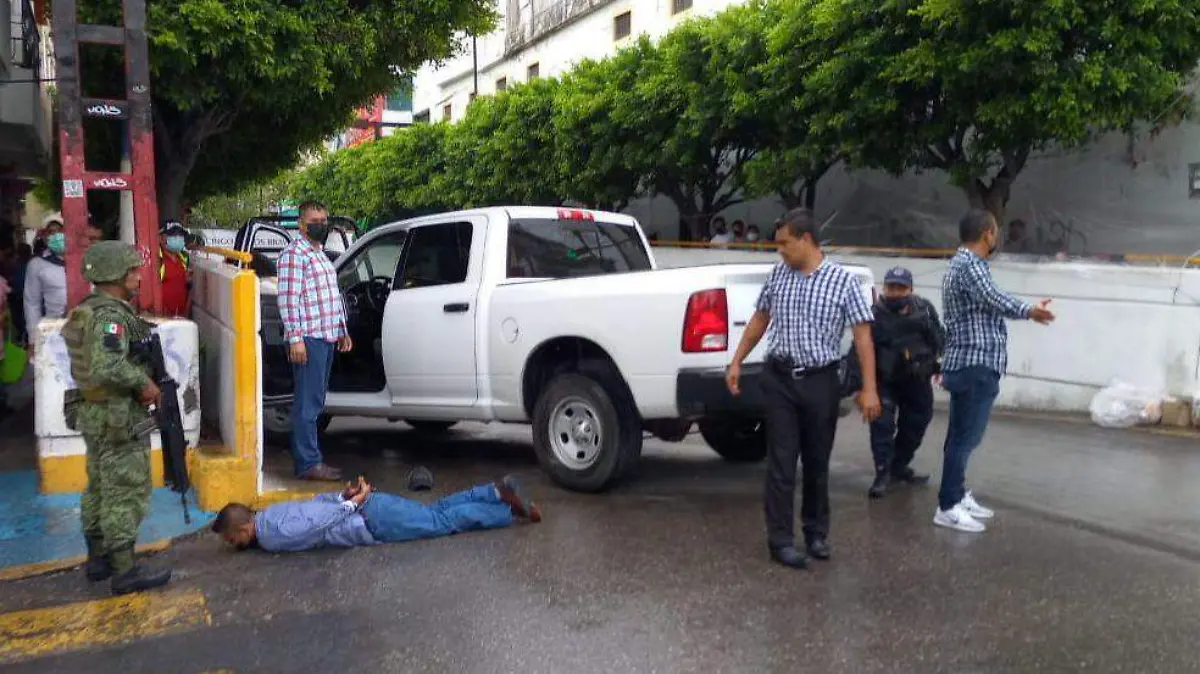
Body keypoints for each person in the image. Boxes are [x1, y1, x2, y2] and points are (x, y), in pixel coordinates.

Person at [725, 207, 882, 570]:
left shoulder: (842, 282)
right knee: (781, 463)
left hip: (820, 382)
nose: (779, 251)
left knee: (816, 461)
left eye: (784, 244)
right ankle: (780, 540)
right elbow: (761, 318)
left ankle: (815, 532)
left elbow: (863, 336)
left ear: (807, 240)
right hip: (779, 380)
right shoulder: (779, 275)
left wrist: (869, 388)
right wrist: (736, 360)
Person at [61, 241, 172, 594]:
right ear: (115, 276)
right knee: (125, 489)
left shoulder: (87, 310)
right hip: (117, 416)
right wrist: (146, 384)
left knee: (98, 486)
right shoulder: (110, 317)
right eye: (133, 271)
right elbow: (109, 365)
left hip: (93, 413)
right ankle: (124, 570)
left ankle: (99, 559)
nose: (139, 277)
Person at [936, 209, 1055, 533]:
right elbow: (993, 298)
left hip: (967, 362)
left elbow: (987, 300)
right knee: (965, 439)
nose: (997, 235)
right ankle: (948, 505)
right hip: (976, 362)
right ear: (987, 232)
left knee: (960, 437)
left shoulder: (960, 264)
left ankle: (956, 496)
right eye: (996, 230)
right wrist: (1029, 311)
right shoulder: (970, 265)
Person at [211, 474, 542, 553]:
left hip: (371, 520)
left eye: (232, 540)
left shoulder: (269, 536)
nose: (235, 545)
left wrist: (352, 502)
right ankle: (493, 493)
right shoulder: (274, 511)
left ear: (240, 530)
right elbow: (315, 504)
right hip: (371, 508)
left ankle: (503, 512)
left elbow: (314, 525)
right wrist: (346, 494)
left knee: (440, 522)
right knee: (435, 510)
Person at [277, 201, 351, 481]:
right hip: (308, 338)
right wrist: (295, 339)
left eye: (324, 218)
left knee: (316, 401)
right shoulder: (294, 254)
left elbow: (331, 296)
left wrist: (342, 329)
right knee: (307, 404)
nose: (321, 224)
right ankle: (308, 463)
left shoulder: (320, 254)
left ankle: (312, 459)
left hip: (326, 335)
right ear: (301, 224)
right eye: (315, 220)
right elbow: (288, 299)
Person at [858, 266, 945, 499]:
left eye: (901, 287)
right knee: (882, 427)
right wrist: (863, 387)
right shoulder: (873, 313)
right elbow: (860, 348)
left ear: (911, 289)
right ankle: (882, 473)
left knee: (917, 424)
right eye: (891, 287)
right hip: (884, 380)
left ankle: (899, 465)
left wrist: (935, 364)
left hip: (916, 379)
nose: (895, 292)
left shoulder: (924, 309)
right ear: (884, 288)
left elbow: (939, 339)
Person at [24, 220, 68, 341]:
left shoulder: (85, 260)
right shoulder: (37, 265)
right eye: (51, 232)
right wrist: (33, 339)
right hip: (53, 332)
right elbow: (32, 304)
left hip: (85, 331)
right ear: (44, 237)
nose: (56, 235)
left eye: (60, 230)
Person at [158, 220, 191, 317]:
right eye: (172, 234)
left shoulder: (183, 258)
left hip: (181, 318)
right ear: (160, 238)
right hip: (161, 319)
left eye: (180, 235)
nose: (178, 238)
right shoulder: (156, 259)